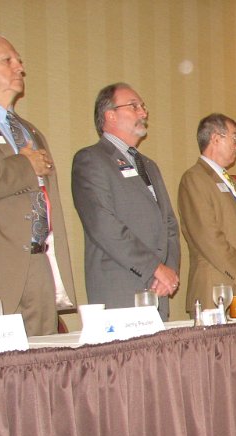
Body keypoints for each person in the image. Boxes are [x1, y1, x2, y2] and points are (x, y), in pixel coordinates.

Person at [0, 30, 75, 336]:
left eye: (19, 62)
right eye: (7, 60)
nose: (19, 68)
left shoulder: (30, 132)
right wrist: (23, 165)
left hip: (39, 272)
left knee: (41, 376)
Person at [72, 83, 180, 321]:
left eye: (143, 107)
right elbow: (103, 224)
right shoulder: (91, 159)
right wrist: (155, 267)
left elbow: (169, 224)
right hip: (119, 290)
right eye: (134, 106)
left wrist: (169, 272)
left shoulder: (149, 165)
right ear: (109, 114)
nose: (144, 113)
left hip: (157, 290)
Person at [178, 113, 236, 315]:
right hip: (213, 291)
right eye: (235, 138)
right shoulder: (194, 179)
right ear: (215, 139)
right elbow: (208, 237)